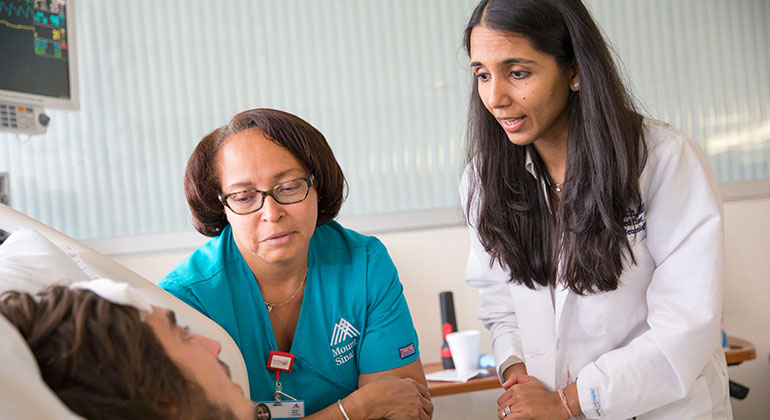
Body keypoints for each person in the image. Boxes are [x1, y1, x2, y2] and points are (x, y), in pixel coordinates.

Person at [460, 0, 731, 419]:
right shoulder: (483, 179)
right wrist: (516, 371)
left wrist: (571, 401)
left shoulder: (662, 160)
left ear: (574, 71)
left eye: (518, 73)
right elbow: (499, 297)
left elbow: (687, 323)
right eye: (482, 74)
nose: (494, 97)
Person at [159, 108, 433, 418]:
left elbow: (403, 407)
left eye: (289, 187)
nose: (271, 213)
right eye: (245, 196)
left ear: (318, 186)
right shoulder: (184, 301)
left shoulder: (364, 264)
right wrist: (356, 408)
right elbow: (378, 405)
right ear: (221, 205)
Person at [0, 285, 433, 420]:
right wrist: (350, 411)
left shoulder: (361, 262)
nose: (214, 344)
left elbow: (409, 402)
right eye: (184, 337)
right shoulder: (193, 290)